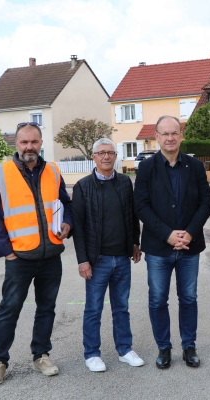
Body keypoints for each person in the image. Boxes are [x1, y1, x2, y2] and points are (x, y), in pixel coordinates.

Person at [0, 122, 72, 384]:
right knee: (9, 309)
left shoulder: (53, 171)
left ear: (41, 143)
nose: (29, 147)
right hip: (19, 258)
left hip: (50, 256)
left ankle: (41, 355)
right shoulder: (0, 173)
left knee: (46, 308)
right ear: (16, 144)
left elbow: (65, 203)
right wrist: (7, 252)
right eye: (24, 142)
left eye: (34, 142)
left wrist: (68, 222)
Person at [134, 115, 210, 369]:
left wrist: (189, 233)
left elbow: (206, 204)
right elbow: (141, 207)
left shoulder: (195, 166)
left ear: (181, 135)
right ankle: (164, 348)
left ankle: (189, 346)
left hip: (190, 246)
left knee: (188, 298)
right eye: (164, 133)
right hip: (158, 247)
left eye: (174, 133)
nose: (170, 138)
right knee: (158, 299)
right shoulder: (146, 168)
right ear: (156, 137)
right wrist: (167, 234)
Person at [72, 138, 144, 372]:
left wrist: (135, 242)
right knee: (93, 308)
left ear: (115, 156)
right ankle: (92, 353)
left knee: (121, 307)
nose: (105, 157)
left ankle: (125, 349)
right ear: (93, 157)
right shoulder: (83, 186)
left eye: (110, 152)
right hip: (97, 259)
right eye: (101, 153)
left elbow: (132, 216)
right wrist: (83, 260)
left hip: (122, 258)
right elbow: (78, 227)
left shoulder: (124, 183)